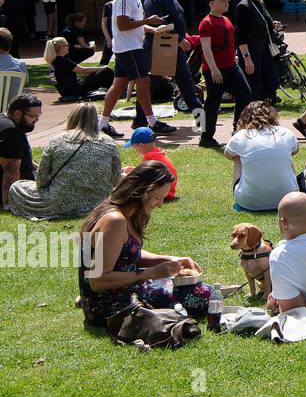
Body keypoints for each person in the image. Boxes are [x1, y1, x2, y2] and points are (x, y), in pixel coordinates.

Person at [77, 161, 212, 325]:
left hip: (124, 291)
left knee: (195, 288)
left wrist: (168, 259)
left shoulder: (127, 213)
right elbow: (97, 280)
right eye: (157, 197)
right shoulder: (114, 221)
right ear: (140, 191)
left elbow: (126, 254)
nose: (161, 205)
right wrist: (152, 273)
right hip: (108, 307)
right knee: (202, 296)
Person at [99, 0, 176, 139]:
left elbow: (134, 23)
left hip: (129, 46)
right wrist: (148, 21)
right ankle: (152, 122)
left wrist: (153, 29)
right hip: (129, 48)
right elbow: (123, 25)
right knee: (144, 81)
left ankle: (102, 124)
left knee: (119, 85)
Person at [7, 102, 117, 220]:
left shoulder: (56, 141)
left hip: (60, 202)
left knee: (16, 187)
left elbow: (41, 181)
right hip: (97, 202)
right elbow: (114, 178)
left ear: (72, 118)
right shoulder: (109, 143)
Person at [189, 0, 252, 149]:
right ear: (211, 3)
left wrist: (234, 57)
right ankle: (206, 137)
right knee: (213, 102)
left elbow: (230, 42)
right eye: (222, 0)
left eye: (227, 0)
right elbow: (206, 48)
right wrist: (214, 69)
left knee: (245, 93)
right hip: (215, 69)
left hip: (231, 66)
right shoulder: (207, 23)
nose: (226, 3)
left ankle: (238, 130)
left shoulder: (226, 19)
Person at [143, 0, 203, 114]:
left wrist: (183, 35)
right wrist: (179, 39)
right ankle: (140, 118)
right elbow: (160, 24)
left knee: (186, 83)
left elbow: (176, 18)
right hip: (161, 48)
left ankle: (202, 120)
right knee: (153, 84)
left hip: (173, 48)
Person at [225, 101, 300, 212]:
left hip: (249, 201)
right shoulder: (285, 132)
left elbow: (228, 155)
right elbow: (295, 151)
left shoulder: (241, 135)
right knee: (286, 156)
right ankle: (287, 187)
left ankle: (252, 193)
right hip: (289, 199)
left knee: (237, 157)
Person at [234, 0, 283, 103]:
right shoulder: (243, 6)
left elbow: (262, 23)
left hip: (264, 51)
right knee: (254, 88)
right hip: (252, 53)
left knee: (273, 82)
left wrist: (273, 25)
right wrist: (247, 59)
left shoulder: (260, 3)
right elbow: (241, 36)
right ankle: (248, 118)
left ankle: (264, 112)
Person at [0, 92, 40, 212]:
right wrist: (9, 204)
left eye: (39, 116)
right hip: (21, 187)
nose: (37, 120)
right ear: (18, 113)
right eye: (33, 116)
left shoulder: (3, 119)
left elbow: (22, 158)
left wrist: (42, 168)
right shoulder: (13, 133)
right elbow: (10, 171)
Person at [45, 37, 114, 100]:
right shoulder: (61, 61)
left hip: (67, 91)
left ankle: (111, 90)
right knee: (106, 71)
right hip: (76, 91)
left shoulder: (53, 62)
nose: (68, 47)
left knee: (100, 72)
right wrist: (102, 68)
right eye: (67, 45)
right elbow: (83, 70)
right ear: (60, 47)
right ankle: (116, 92)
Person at [123, 126, 178, 201]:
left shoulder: (149, 157)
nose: (135, 150)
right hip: (169, 192)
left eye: (134, 147)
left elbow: (141, 178)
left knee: (125, 179)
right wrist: (134, 169)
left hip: (160, 193)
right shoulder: (158, 153)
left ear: (141, 145)